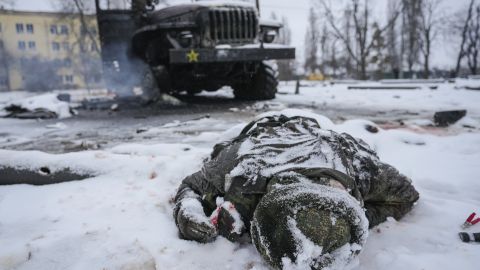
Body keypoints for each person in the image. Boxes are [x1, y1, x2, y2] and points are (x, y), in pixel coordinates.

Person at [173, 114, 419, 269]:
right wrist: (188, 214)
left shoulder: (358, 165)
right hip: (263, 126)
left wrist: (362, 216)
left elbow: (406, 196)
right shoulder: (242, 160)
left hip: (320, 129)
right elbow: (191, 186)